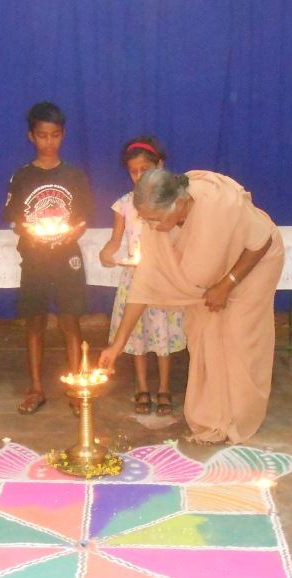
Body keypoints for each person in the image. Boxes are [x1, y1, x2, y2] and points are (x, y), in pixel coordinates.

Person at [99, 168, 284, 445]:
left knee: (238, 339)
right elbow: (144, 285)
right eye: (146, 220)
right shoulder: (158, 222)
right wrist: (117, 345)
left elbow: (262, 241)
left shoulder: (220, 203)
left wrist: (227, 284)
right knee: (207, 337)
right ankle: (214, 418)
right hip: (209, 284)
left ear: (179, 203)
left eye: (155, 219)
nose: (151, 227)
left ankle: (239, 418)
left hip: (253, 267)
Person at [4, 102, 93, 415]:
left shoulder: (74, 175)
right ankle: (36, 388)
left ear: (63, 135)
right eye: (42, 135)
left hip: (66, 257)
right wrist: (27, 230)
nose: (49, 141)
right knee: (35, 321)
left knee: (70, 320)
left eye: (55, 135)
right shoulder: (22, 176)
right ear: (31, 136)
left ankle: (78, 387)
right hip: (35, 258)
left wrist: (76, 231)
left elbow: (83, 217)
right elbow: (14, 218)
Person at [99, 136, 185, 416]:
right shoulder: (124, 204)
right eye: (133, 172)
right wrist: (107, 253)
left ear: (160, 166)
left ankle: (164, 387)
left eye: (144, 170)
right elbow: (115, 241)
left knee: (162, 335)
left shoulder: (171, 203)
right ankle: (142, 386)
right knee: (136, 335)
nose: (138, 177)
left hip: (162, 278)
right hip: (134, 279)